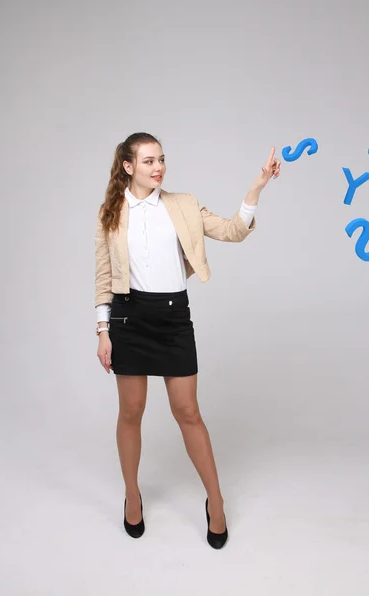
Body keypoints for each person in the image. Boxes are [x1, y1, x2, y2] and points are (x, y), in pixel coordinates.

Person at [94, 132, 280, 547]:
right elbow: (104, 278)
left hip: (174, 318)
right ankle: (132, 495)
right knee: (131, 412)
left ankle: (216, 501)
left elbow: (234, 230)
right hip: (127, 317)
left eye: (161, 159)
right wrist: (103, 331)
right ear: (128, 166)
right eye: (148, 161)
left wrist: (257, 187)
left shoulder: (182, 204)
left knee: (187, 411)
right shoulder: (111, 211)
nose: (158, 167)